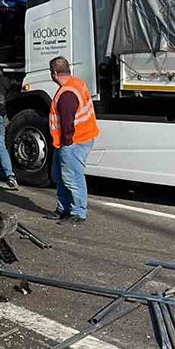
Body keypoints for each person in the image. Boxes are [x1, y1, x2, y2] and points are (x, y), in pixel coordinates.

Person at [43, 56, 99, 224]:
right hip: (77, 139)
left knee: (72, 177)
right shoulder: (76, 84)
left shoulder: (67, 93)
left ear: (54, 73)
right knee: (61, 176)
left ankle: (77, 212)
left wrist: (66, 142)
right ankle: (63, 208)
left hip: (74, 142)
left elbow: (67, 123)